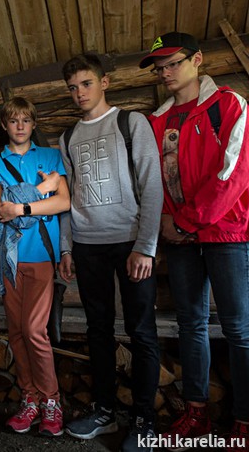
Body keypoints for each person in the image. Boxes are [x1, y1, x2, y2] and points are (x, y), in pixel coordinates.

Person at [139, 32, 249, 451]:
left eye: (173, 63)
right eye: (159, 67)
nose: (165, 73)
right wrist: (166, 221)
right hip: (179, 238)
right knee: (191, 323)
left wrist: (185, 221)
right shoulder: (157, 121)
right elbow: (154, 181)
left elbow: (234, 173)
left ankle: (244, 420)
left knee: (239, 327)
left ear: (197, 59)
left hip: (226, 234)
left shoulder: (228, 105)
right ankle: (196, 412)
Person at [58, 54, 163, 452]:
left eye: (86, 83)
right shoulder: (68, 137)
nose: (79, 93)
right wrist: (67, 246)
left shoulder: (130, 123)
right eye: (73, 87)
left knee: (141, 331)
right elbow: (68, 198)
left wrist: (145, 246)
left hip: (130, 244)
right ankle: (104, 411)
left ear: (104, 82)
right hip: (87, 245)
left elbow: (152, 186)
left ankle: (144, 419)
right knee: (97, 329)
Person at [0, 98, 69, 437]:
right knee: (17, 332)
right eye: (13, 120)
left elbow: (63, 201)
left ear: (34, 124)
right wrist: (41, 191)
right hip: (9, 258)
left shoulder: (51, 157)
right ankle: (30, 398)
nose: (19, 126)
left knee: (35, 330)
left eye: (25, 120)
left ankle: (51, 401)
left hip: (41, 255)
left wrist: (22, 205)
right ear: (4, 125)